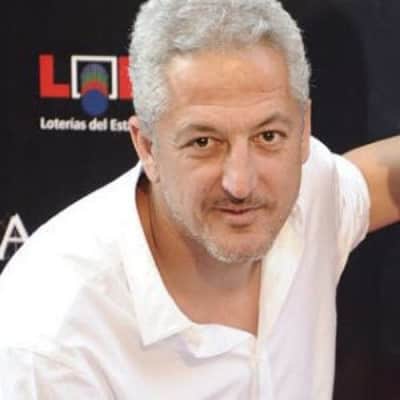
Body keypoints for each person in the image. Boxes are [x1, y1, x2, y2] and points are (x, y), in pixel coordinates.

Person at [0, 0, 399, 398]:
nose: (241, 183)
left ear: (303, 130)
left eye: (267, 136)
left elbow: (380, 180)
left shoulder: (311, 193)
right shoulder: (51, 341)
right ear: (147, 147)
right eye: (204, 142)